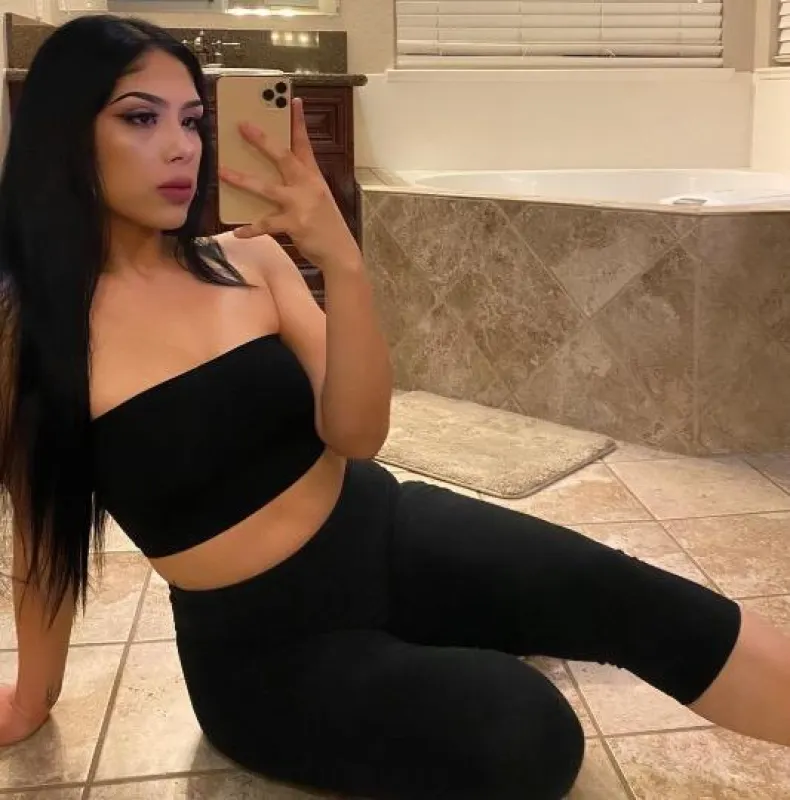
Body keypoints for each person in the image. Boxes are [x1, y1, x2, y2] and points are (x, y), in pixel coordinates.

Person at [0, 14, 788, 800]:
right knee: (528, 730)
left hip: (383, 530)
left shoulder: (249, 259)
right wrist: (34, 698)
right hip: (266, 651)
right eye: (141, 118)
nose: (182, 147)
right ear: (65, 132)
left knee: (633, 598)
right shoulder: (29, 334)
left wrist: (341, 260)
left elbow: (358, 434)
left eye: (193, 121)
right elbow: (41, 538)